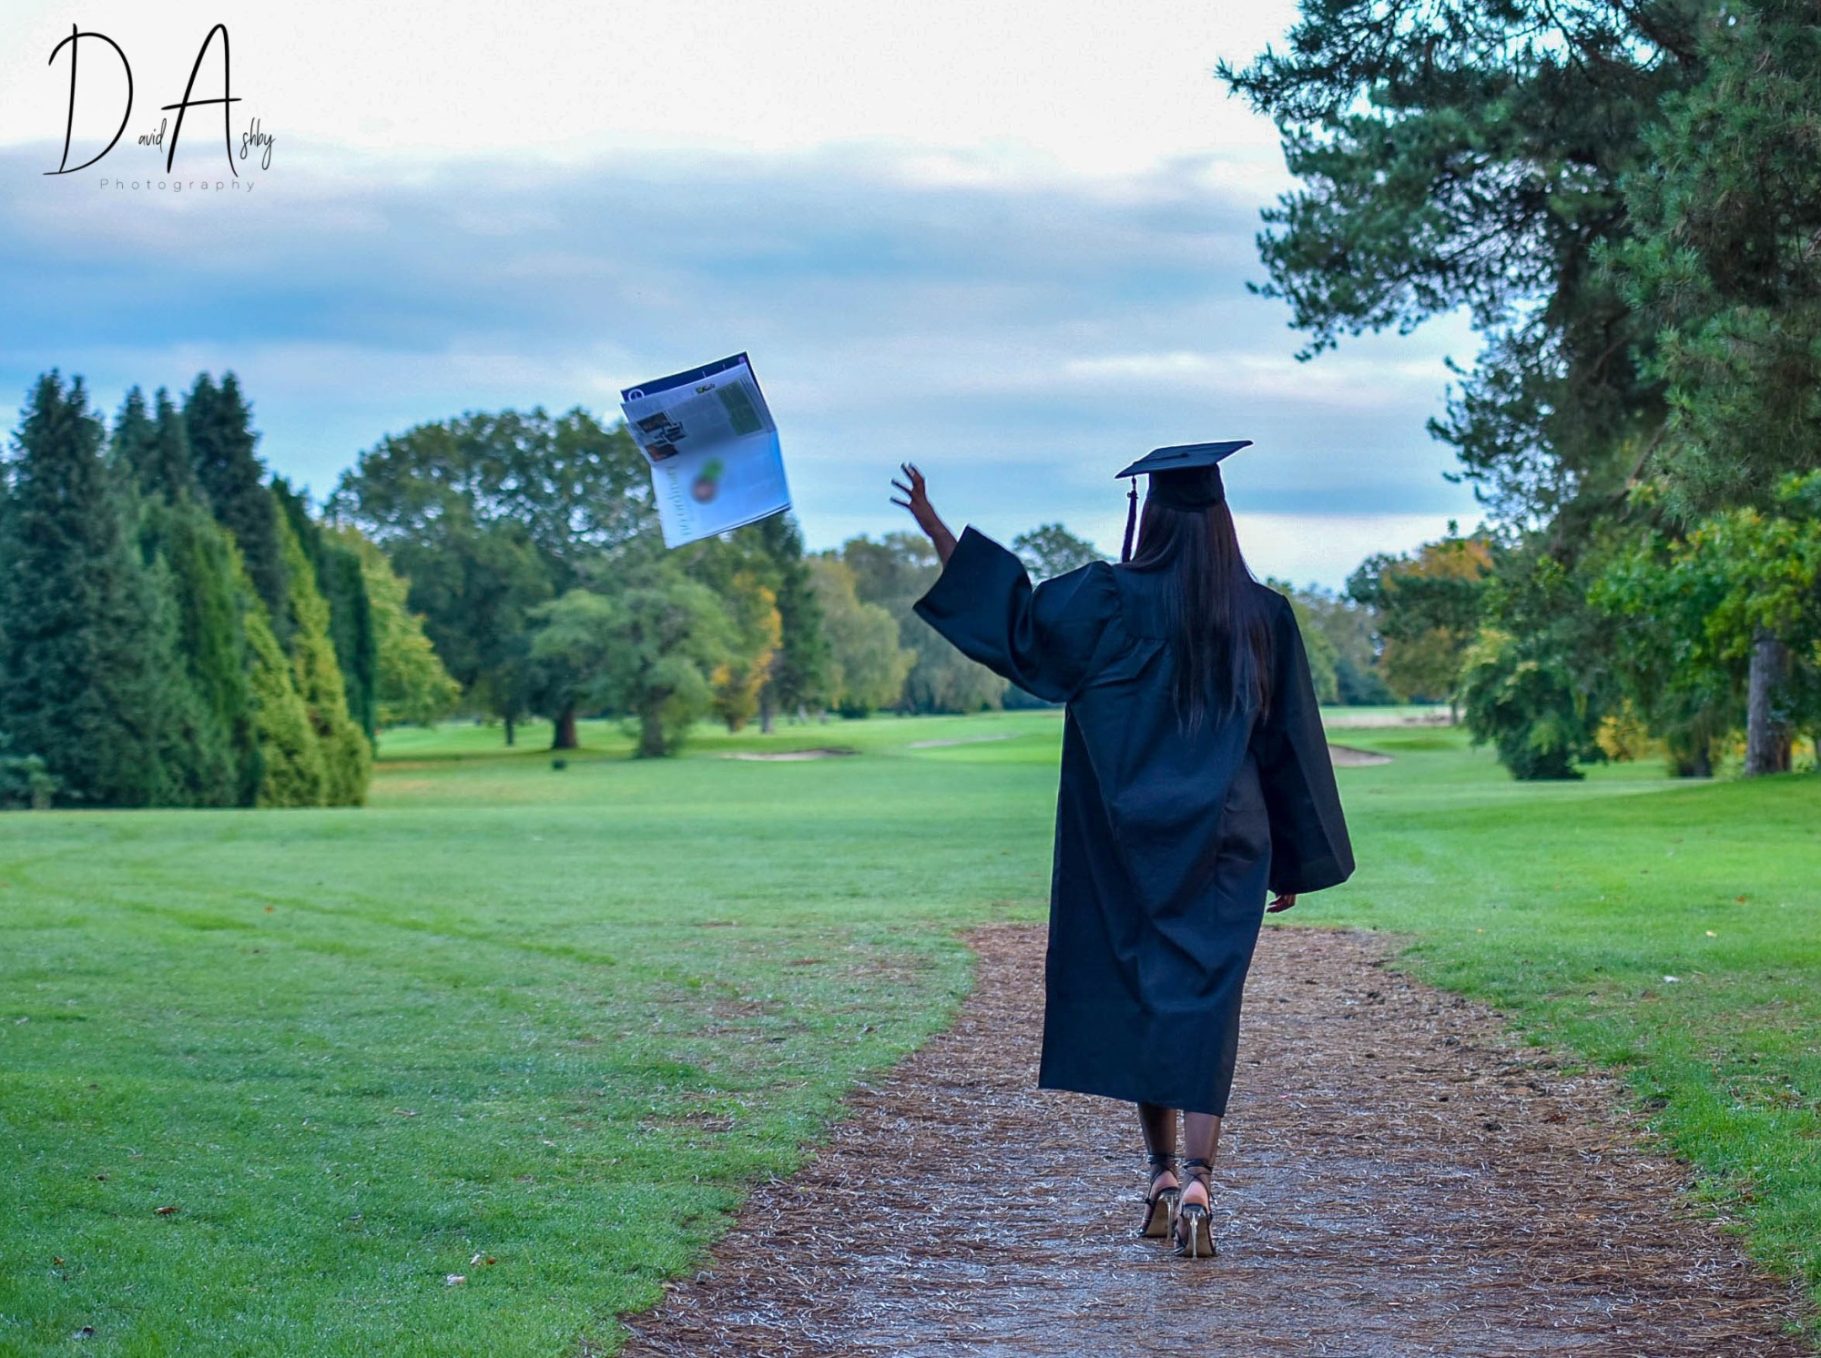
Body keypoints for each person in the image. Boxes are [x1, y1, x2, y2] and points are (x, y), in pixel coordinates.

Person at [891, 443, 1353, 1259]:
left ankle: (1161, 1176)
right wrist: (1291, 860)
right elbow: (1287, 743)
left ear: (1154, 518)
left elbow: (1018, 625)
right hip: (1228, 841)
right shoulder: (1261, 613)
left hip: (1126, 839)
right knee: (1204, 1003)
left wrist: (936, 529)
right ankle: (1202, 1181)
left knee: (1145, 991)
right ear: (1220, 518)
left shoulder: (1105, 596)